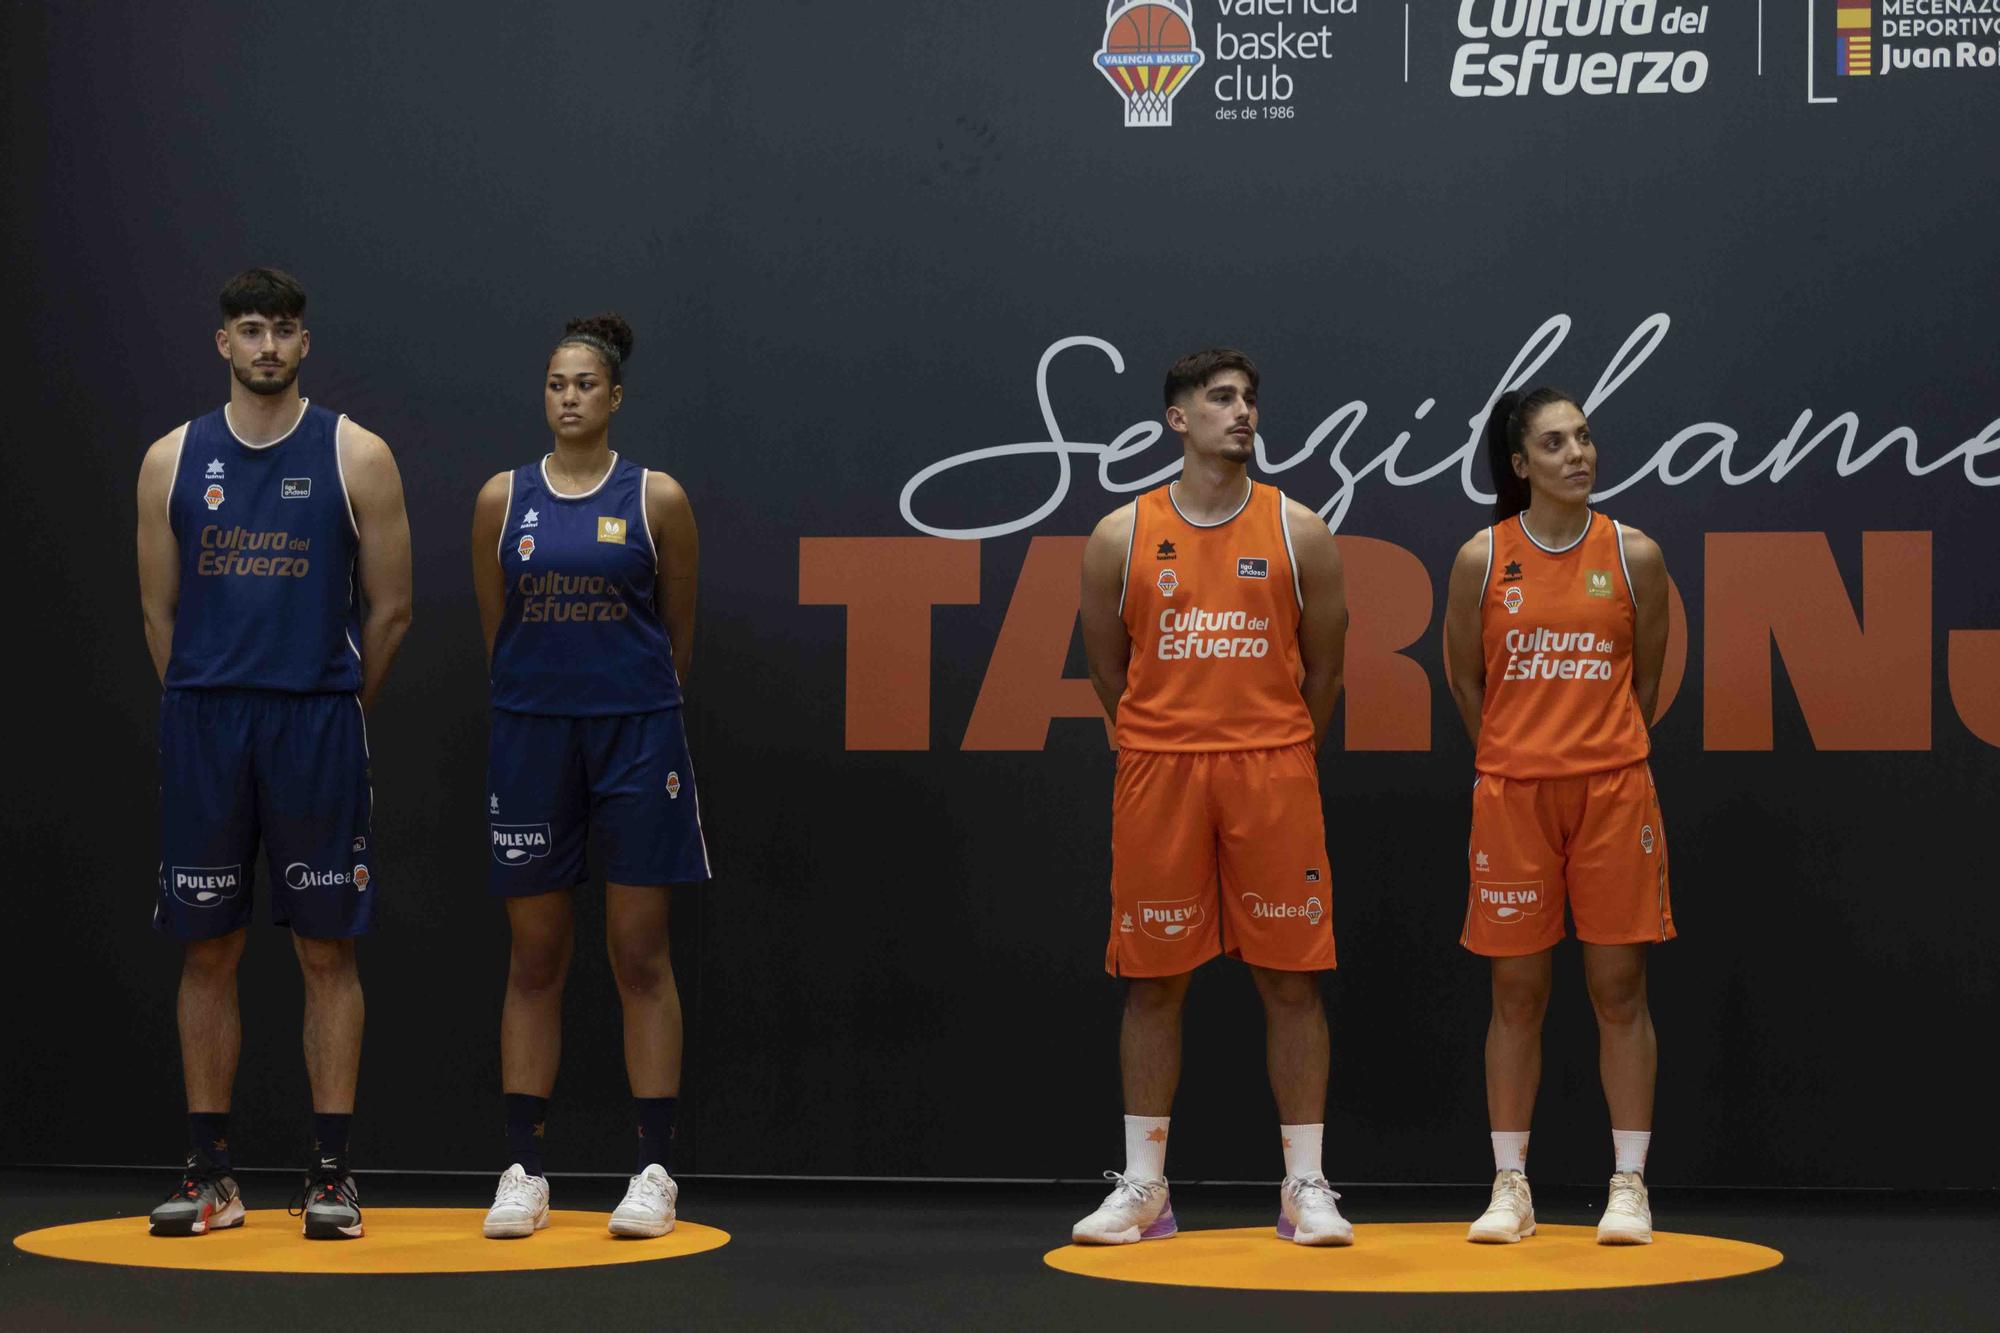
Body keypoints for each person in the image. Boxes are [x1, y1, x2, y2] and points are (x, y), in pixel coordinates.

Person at [135, 267, 413, 1239]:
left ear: (305, 343)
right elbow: (158, 613)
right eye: (249, 329)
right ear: (223, 342)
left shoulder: (357, 455)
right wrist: (210, 692)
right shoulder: (171, 459)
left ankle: (330, 1176)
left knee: (325, 949)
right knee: (207, 947)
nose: (265, 346)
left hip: (315, 725)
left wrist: (328, 698)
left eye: (282, 330)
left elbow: (390, 610)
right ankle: (211, 1175)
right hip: (208, 725)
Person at [1071, 348, 1351, 1246]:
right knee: (1154, 982)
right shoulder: (1121, 534)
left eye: (1250, 399)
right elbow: (1108, 672)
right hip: (1159, 769)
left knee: (1291, 979)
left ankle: (1304, 1185)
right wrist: (1165, 736)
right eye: (1221, 399)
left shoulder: (1300, 529)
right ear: (1176, 420)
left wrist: (1267, 738)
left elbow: (1328, 669)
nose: (1243, 413)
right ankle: (1145, 1188)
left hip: (1272, 766)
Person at [470, 314, 707, 1240]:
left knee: (639, 951)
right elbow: (500, 634)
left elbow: (677, 635)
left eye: (585, 384)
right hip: (532, 740)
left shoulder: (659, 498)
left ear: (614, 397)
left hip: (638, 738)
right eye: (555, 383)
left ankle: (653, 1169)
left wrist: (627, 701)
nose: (568, 397)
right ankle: (525, 1169)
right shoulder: (502, 499)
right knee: (534, 957)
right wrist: (548, 697)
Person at [1442, 386, 1675, 1246]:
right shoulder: (1481, 558)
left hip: (1614, 790)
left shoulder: (1636, 554)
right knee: (1516, 991)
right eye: (1555, 443)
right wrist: (1516, 748)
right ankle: (1512, 1185)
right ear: (1519, 464)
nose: (1578, 453)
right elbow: (1468, 682)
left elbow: (1645, 684)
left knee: (1620, 989)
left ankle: (1628, 1184)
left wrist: (1594, 745)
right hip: (1512, 795)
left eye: (1584, 437)